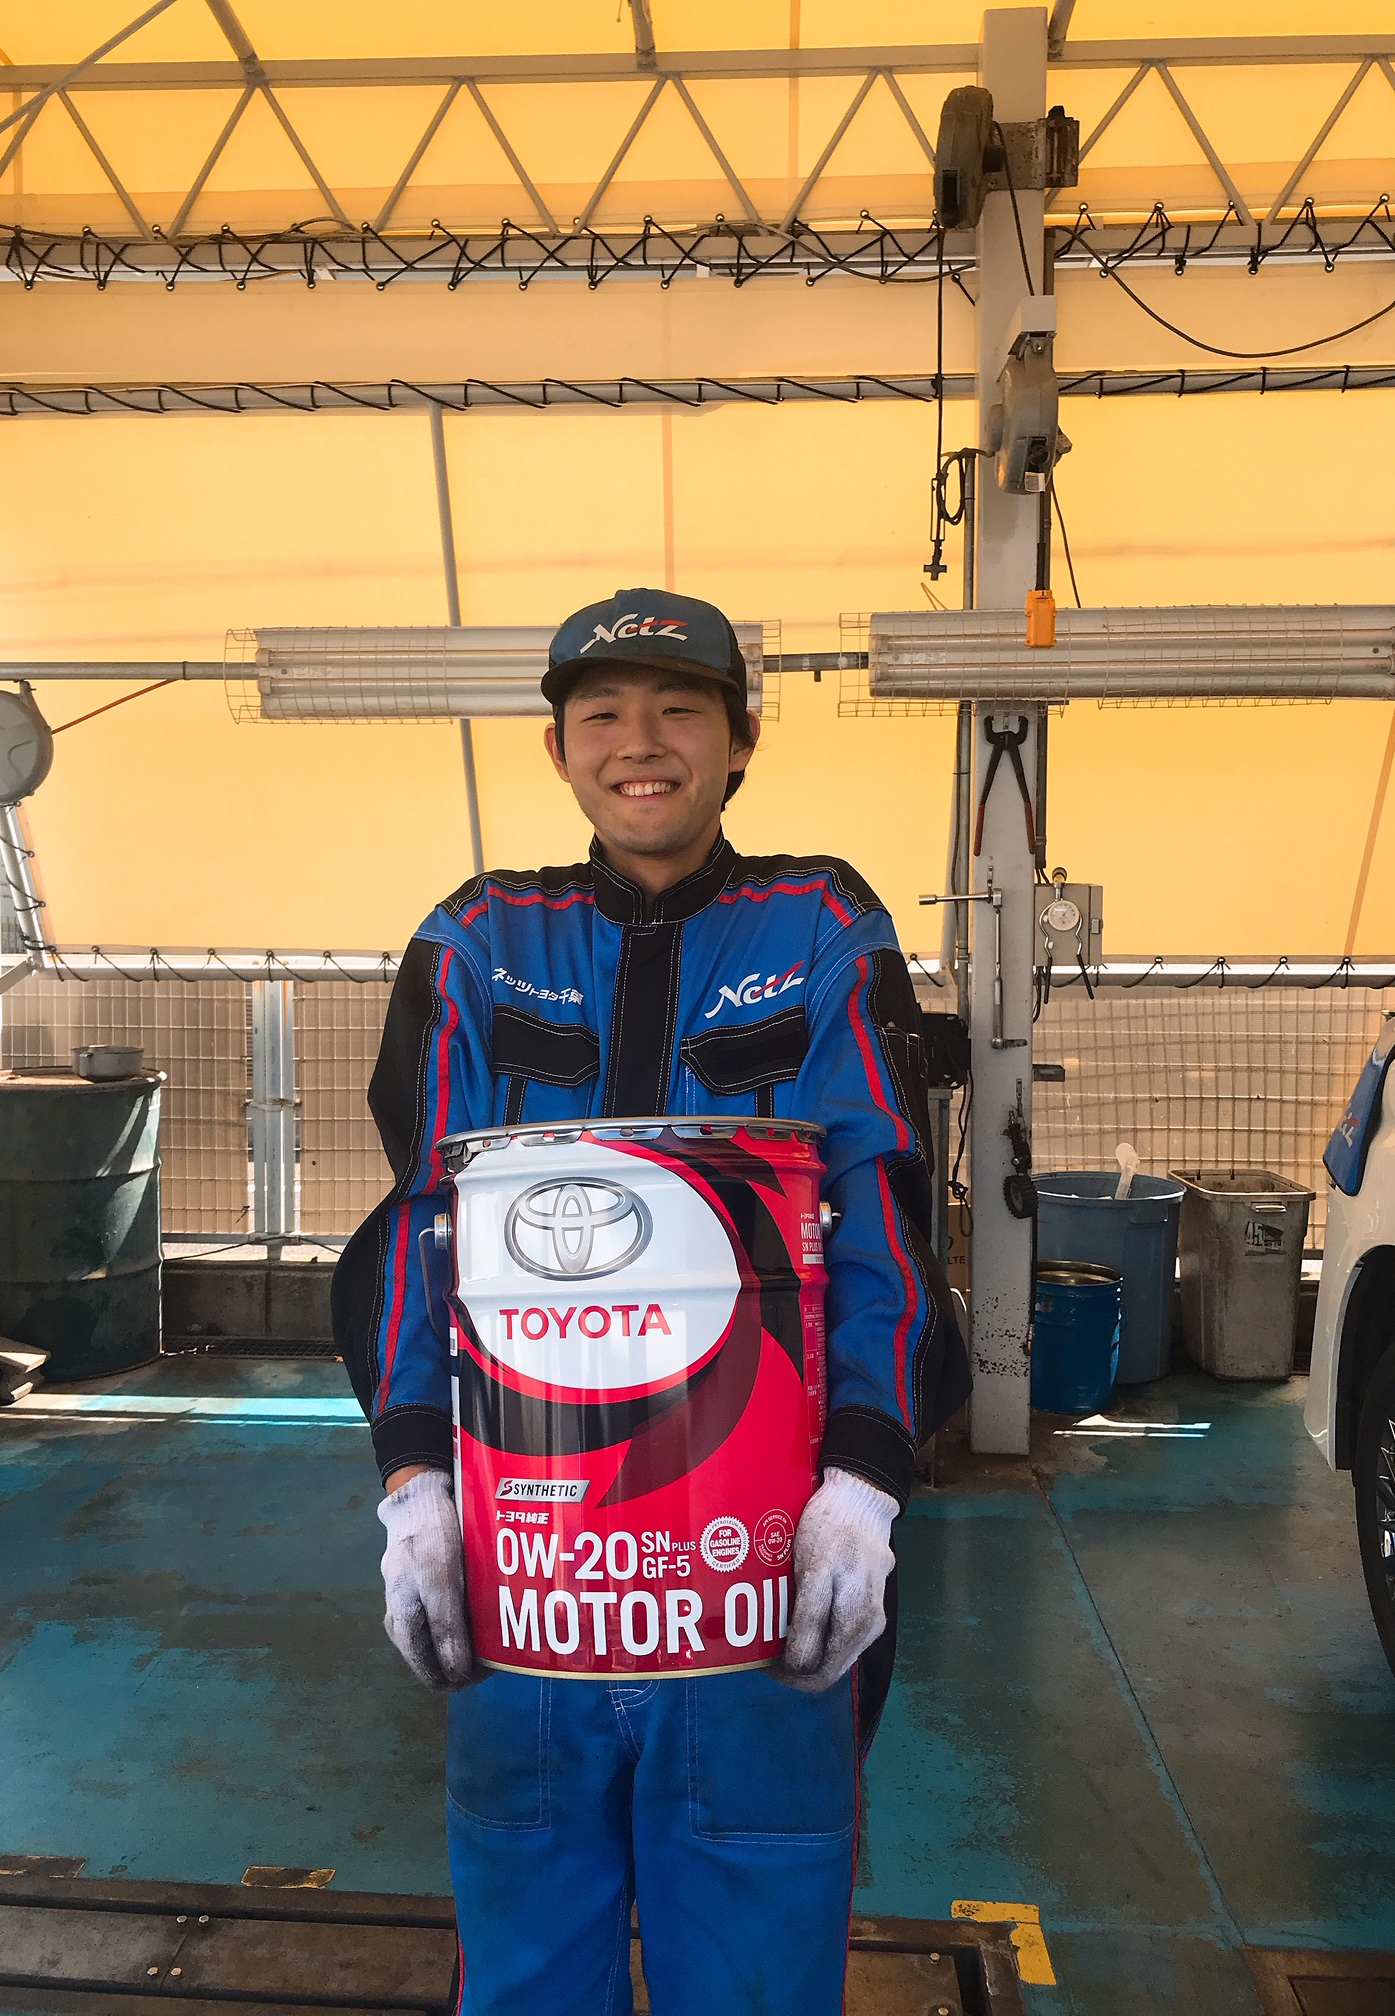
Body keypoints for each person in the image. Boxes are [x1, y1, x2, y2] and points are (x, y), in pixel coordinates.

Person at [335, 587, 969, 2016]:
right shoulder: (476, 937)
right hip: (531, 1571)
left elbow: (880, 1206)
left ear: (740, 743)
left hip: (759, 1563)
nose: (641, 742)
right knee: (526, 1967)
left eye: (682, 709)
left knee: (754, 1970)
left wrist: (864, 1487)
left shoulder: (823, 922)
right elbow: (420, 1222)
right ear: (558, 748)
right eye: (602, 714)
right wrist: (414, 1485)